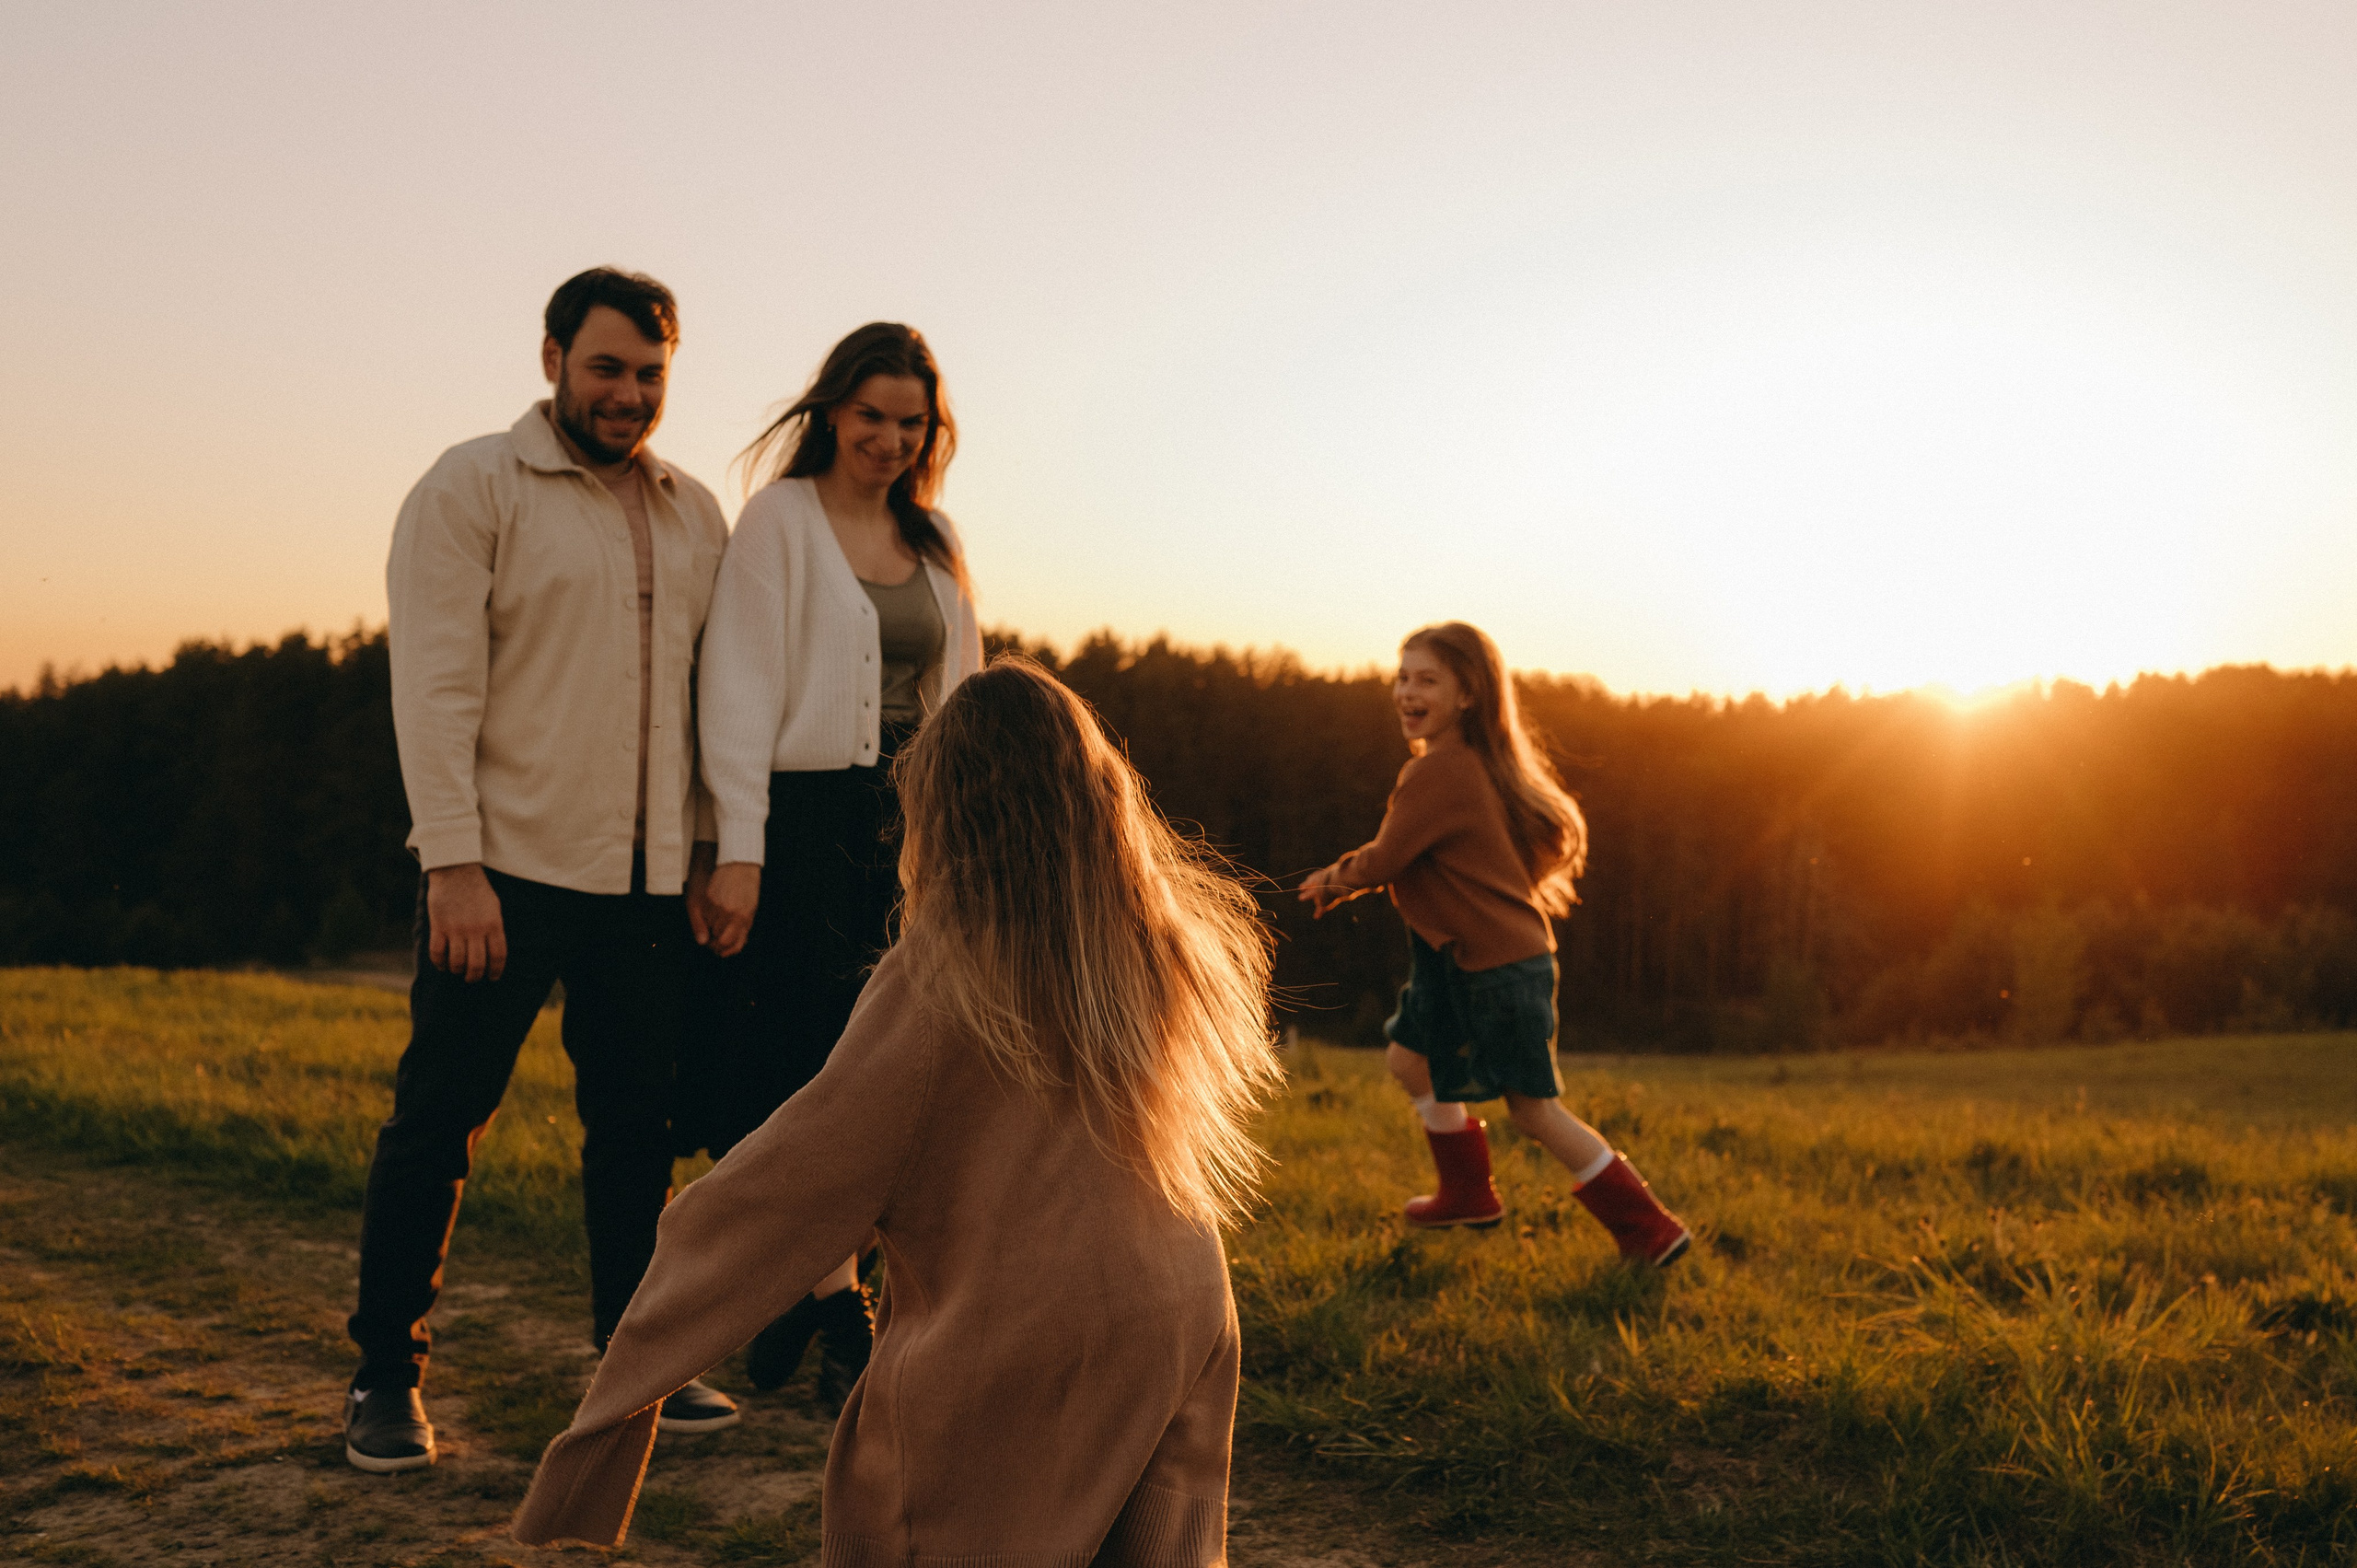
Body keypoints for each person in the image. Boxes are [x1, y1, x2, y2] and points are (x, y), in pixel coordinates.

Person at [513, 656, 1281, 1561]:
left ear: (944, 817)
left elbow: (791, 1185)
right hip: (1185, 1309)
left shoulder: (939, 980)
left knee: (905, 1517)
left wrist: (613, 1401)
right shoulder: (1160, 946)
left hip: (1026, 1339)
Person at [347, 267, 741, 1474]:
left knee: (635, 1132)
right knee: (440, 1122)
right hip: (505, 874)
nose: (628, 395)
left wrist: (706, 845)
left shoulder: (694, 512)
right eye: (607, 367)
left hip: (647, 885)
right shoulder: (473, 485)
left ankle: (634, 1371)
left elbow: (706, 699)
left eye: (651, 375)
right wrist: (452, 860)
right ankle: (382, 1379)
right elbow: (435, 686)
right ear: (553, 358)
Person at [686, 322, 982, 1404]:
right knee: (808, 1067)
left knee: (899, 1067)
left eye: (912, 422)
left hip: (912, 834)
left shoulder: (938, 538)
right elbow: (737, 689)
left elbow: (964, 693)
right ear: (831, 413)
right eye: (872, 417)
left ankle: (810, 1296)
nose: (891, 439)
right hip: (804, 825)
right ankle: (832, 1305)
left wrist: (959, 848)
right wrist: (742, 851)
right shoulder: (778, 519)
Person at [1298, 621, 1691, 1264]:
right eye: (1402, 678)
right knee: (1408, 1060)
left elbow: (1386, 858)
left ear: (1468, 695)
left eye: (1427, 679)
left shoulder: (1438, 772)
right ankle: (1466, 1193)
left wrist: (1331, 881)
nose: (1406, 692)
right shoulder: (1466, 764)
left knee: (1534, 1110)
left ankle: (1648, 1227)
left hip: (1498, 970)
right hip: (1455, 964)